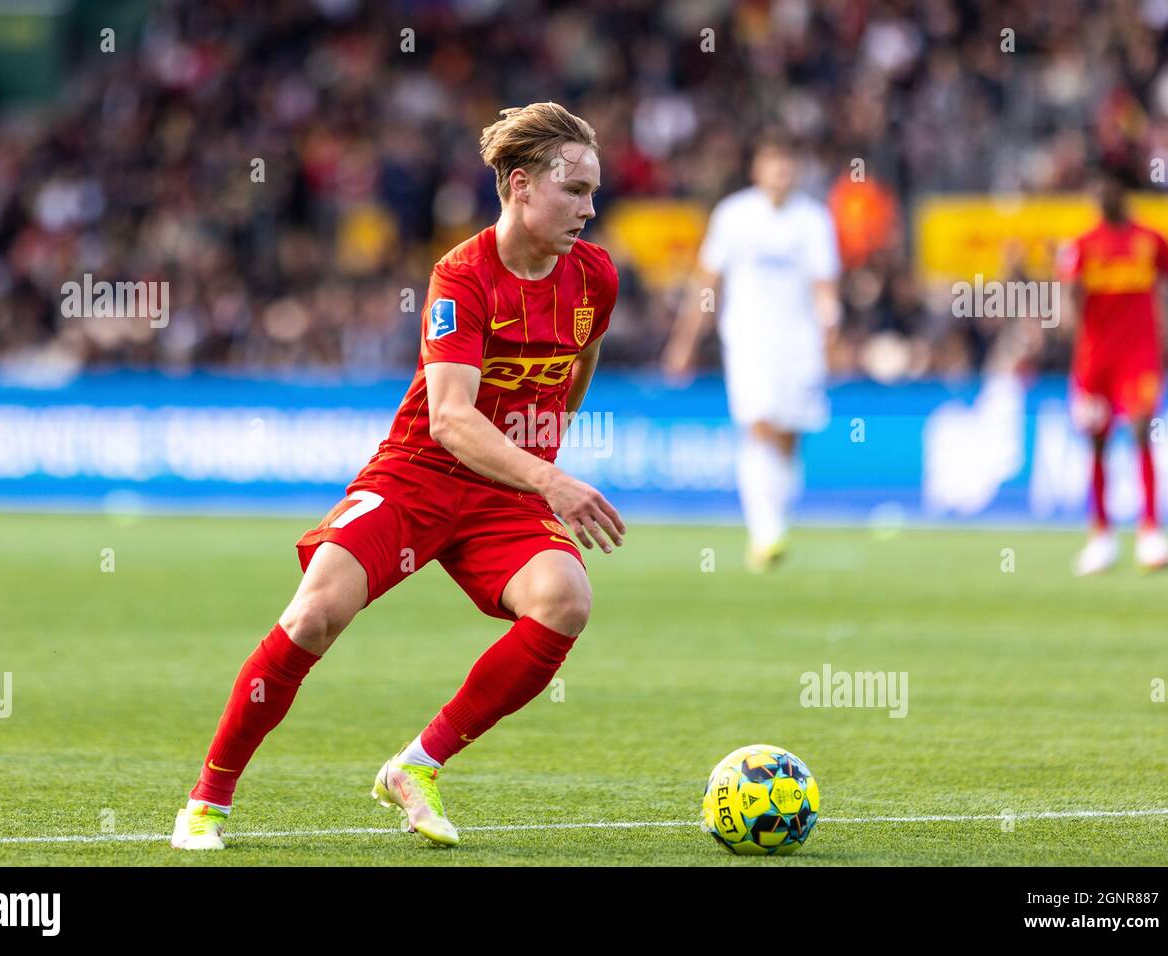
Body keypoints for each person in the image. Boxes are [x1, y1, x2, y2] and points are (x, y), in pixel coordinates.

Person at [172, 102, 623, 849]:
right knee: (314, 615)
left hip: (504, 490)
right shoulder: (461, 278)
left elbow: (582, 360)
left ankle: (418, 764)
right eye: (574, 190)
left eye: (593, 191)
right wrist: (550, 479)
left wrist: (547, 447)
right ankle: (206, 802)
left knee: (565, 599)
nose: (590, 207)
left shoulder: (595, 277)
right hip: (417, 476)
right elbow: (450, 419)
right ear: (518, 186)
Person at [662, 133, 841, 570]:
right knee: (757, 422)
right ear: (757, 169)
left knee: (787, 436)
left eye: (787, 163)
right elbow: (708, 282)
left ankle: (775, 519)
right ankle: (765, 532)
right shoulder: (734, 216)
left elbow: (825, 284)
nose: (781, 172)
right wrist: (685, 342)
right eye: (773, 162)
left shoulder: (813, 220)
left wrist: (831, 328)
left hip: (800, 342)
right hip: (749, 339)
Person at [1058, 168, 1168, 575]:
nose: (1100, 193)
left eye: (1107, 185)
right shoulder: (1081, 247)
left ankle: (1150, 531)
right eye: (1096, 186)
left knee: (1141, 428)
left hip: (1139, 356)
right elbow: (1069, 300)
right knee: (1098, 442)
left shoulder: (1150, 240)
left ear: (1122, 190)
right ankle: (1102, 535)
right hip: (1095, 361)